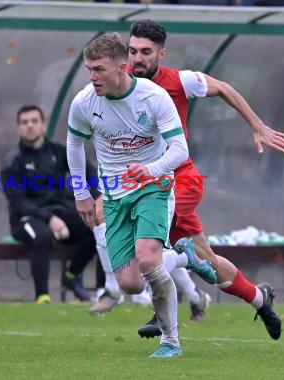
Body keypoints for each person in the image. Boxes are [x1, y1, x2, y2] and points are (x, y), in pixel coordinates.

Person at [126, 19, 284, 340]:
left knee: (149, 248)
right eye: (132, 51)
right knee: (208, 261)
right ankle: (260, 298)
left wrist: (257, 124)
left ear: (162, 54)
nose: (137, 58)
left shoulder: (181, 81)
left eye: (146, 52)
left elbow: (224, 88)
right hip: (147, 183)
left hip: (179, 181)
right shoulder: (122, 83)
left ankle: (163, 306)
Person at [67, 32, 192, 358]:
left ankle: (171, 341)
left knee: (149, 259)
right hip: (113, 195)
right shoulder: (84, 102)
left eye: (99, 69)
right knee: (131, 284)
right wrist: (81, 192)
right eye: (89, 69)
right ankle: (181, 256)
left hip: (154, 186)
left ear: (123, 67)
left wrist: (152, 170)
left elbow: (180, 150)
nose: (92, 76)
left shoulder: (153, 97)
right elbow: (75, 144)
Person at [0, 104, 99, 304]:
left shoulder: (58, 151)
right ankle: (42, 297)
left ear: (43, 126)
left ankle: (73, 275)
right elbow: (18, 202)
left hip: (59, 212)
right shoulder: (12, 161)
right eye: (24, 122)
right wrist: (50, 219)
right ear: (18, 128)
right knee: (42, 236)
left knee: (96, 225)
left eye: (34, 121)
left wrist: (97, 199)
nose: (30, 126)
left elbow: (88, 173)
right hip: (26, 218)